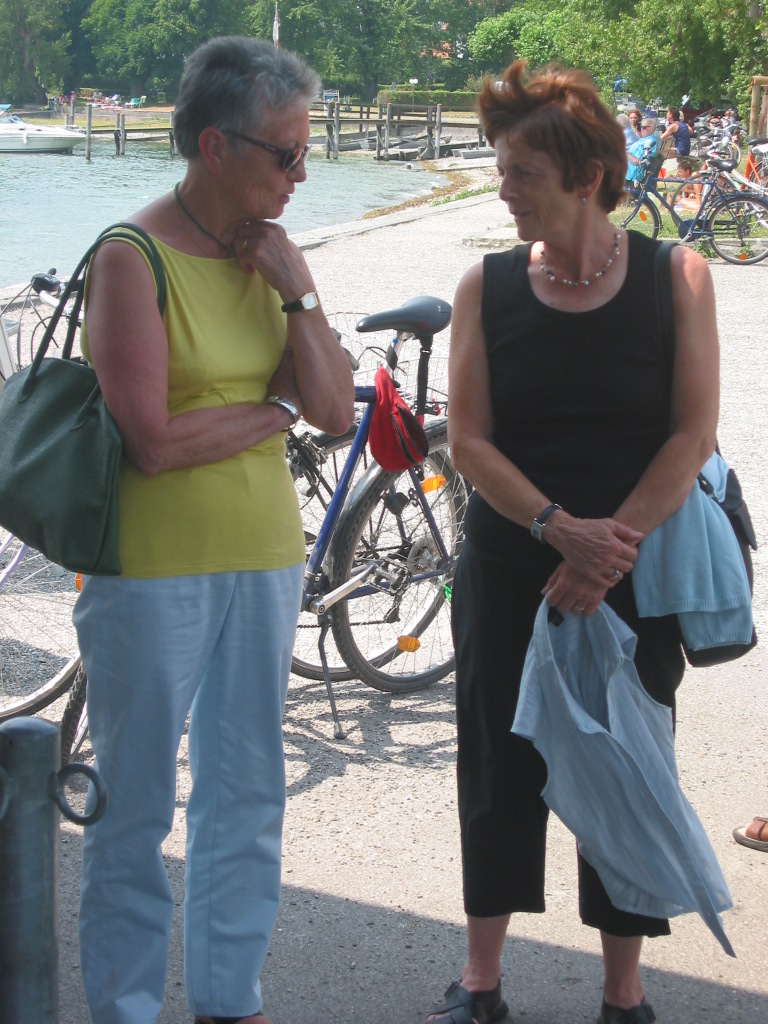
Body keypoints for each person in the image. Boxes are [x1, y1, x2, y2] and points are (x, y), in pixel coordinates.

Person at [429, 59, 719, 1024]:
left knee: (627, 765)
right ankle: (481, 982)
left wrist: (608, 549)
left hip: (633, 568)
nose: (502, 190)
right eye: (499, 170)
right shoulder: (486, 285)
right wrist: (558, 529)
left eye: (521, 173)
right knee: (496, 765)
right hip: (512, 561)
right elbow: (469, 440)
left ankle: (623, 992)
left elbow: (692, 434)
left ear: (587, 177)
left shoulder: (678, 277)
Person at [72, 36, 354, 1024]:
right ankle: (126, 1008)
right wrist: (274, 409)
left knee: (246, 795)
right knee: (136, 804)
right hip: (151, 568)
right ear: (214, 145)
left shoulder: (269, 257)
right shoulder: (131, 256)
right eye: (286, 153)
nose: (300, 173)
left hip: (265, 556)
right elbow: (152, 442)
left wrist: (299, 289)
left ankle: (231, 999)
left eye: (305, 152)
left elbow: (335, 411)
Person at [625, 117, 657, 183]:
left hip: (631, 176)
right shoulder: (644, 139)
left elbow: (637, 162)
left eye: (644, 127)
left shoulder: (649, 142)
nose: (642, 129)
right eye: (641, 127)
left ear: (652, 128)